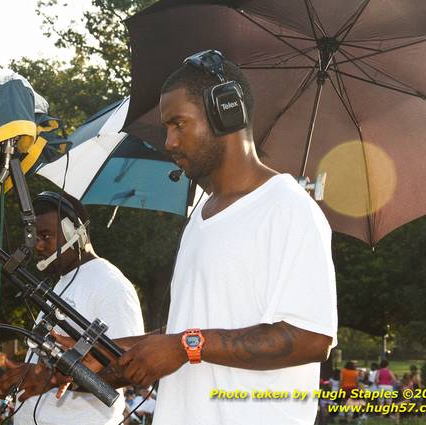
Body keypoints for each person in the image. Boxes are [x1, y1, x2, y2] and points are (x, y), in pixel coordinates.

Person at [84, 50, 337, 424]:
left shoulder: (288, 208)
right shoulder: (200, 217)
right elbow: (188, 328)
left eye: (178, 124)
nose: (168, 142)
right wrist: (104, 352)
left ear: (226, 113)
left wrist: (187, 346)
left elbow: (312, 338)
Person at [0, 191, 144, 425]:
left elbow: (128, 368)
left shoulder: (112, 285)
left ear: (75, 233)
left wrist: (51, 379)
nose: (38, 245)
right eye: (35, 237)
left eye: (46, 236)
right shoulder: (62, 282)